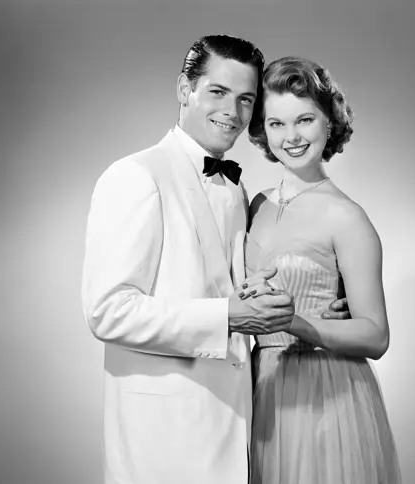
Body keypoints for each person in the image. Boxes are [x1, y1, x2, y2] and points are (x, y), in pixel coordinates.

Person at [81, 37, 348, 484]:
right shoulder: (135, 176)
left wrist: (310, 309)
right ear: (184, 88)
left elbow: (235, 289)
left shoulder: (238, 191)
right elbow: (107, 311)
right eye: (218, 92)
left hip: (241, 425)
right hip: (165, 439)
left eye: (246, 99)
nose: (233, 111)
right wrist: (228, 316)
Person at [244, 56, 402, 483]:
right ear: (263, 131)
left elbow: (375, 334)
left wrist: (295, 321)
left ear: (329, 122)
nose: (291, 137)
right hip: (260, 391)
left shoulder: (346, 216)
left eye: (305, 120)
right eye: (276, 124)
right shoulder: (253, 205)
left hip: (324, 396)